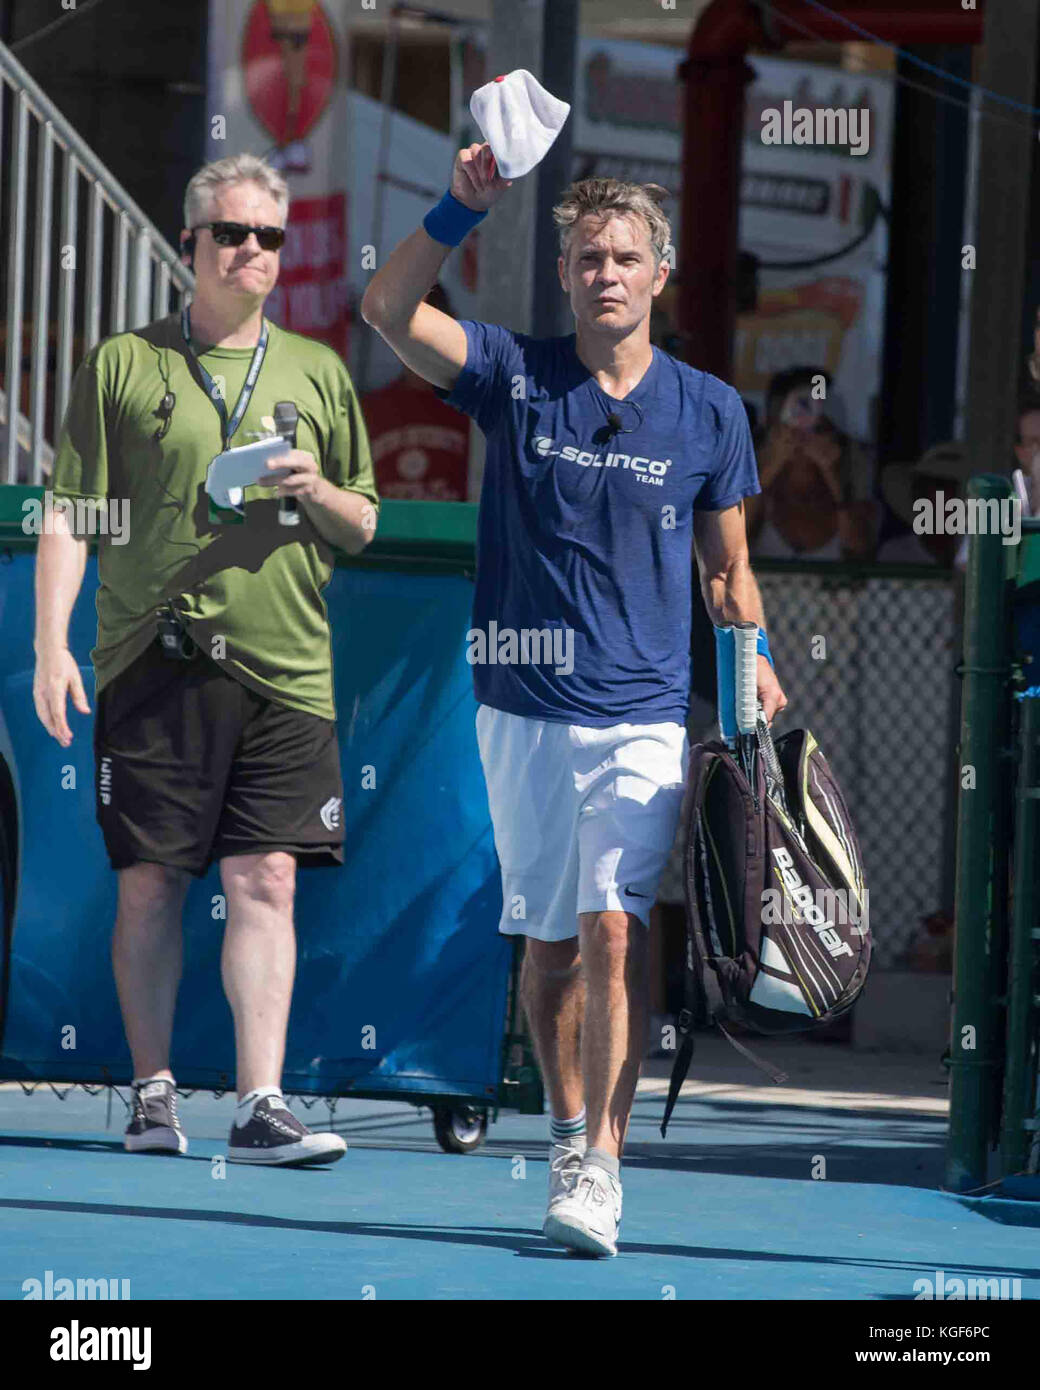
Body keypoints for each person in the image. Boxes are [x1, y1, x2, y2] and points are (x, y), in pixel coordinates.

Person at [361, 154, 786, 1257]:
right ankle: (561, 1129)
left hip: (641, 712)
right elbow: (385, 308)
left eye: (625, 257)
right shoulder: (511, 371)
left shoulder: (708, 412)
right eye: (588, 256)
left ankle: (602, 1160)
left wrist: (753, 665)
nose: (606, 272)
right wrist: (463, 202)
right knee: (548, 946)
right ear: (562, 270)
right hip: (517, 703)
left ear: (659, 275)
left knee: (613, 925)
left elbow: (727, 571)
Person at [33, 153, 379, 1165]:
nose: (249, 251)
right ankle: (151, 1097)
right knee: (149, 882)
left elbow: (360, 521)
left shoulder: (317, 372)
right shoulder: (124, 363)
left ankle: (262, 1101)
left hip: (285, 666)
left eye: (268, 236)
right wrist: (51, 641)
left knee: (268, 876)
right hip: (155, 653)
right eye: (229, 233)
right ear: (188, 245)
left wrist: (315, 489)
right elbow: (71, 512)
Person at [746, 366, 877, 561]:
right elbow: (729, 544)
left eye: (818, 427)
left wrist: (833, 476)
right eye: (791, 423)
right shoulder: (748, 480)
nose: (803, 434)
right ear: (772, 428)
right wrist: (769, 468)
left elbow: (859, 550)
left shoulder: (856, 481)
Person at [361, 282, 472, 501]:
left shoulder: (474, 409)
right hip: (386, 533)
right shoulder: (370, 410)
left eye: (431, 329)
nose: (420, 339)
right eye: (409, 327)